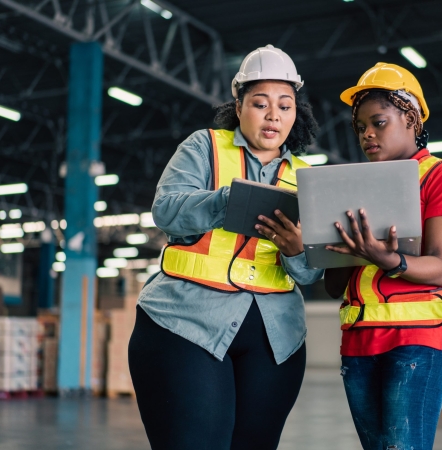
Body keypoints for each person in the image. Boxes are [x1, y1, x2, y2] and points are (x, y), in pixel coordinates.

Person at [128, 45, 323, 450]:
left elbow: (308, 273)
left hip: (275, 339)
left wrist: (295, 249)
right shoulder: (204, 147)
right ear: (238, 105)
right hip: (185, 325)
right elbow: (166, 211)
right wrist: (226, 201)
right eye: (260, 103)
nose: (273, 115)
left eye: (285, 106)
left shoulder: (307, 178)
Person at [324, 63, 442, 450]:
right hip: (358, 342)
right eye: (360, 127)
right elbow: (333, 286)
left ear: (411, 118)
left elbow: (441, 269)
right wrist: (332, 247)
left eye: (378, 122)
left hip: (417, 341)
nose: (367, 134)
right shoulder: (353, 185)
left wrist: (384, 257)